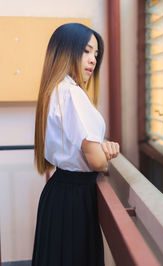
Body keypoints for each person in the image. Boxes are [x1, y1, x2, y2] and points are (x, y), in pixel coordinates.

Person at [32, 23, 119, 266]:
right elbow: (96, 161)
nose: (92, 59)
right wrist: (106, 152)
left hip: (58, 193)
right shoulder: (72, 94)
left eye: (96, 54)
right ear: (66, 50)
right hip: (75, 198)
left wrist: (99, 145)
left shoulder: (55, 90)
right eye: (86, 51)